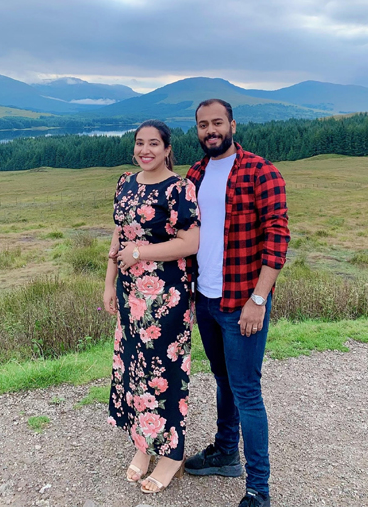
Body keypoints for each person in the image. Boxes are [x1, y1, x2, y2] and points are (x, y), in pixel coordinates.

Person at [184, 99, 290, 507]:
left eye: (217, 123)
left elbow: (277, 238)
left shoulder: (261, 171)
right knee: (223, 379)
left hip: (242, 302)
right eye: (202, 125)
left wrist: (258, 299)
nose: (210, 131)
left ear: (232, 124)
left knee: (246, 390)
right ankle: (227, 451)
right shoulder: (196, 173)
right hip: (206, 299)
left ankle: (258, 490)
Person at [103, 119, 200, 495]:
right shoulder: (125, 182)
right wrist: (109, 281)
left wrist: (140, 253)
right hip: (130, 295)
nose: (145, 150)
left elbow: (190, 242)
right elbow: (119, 235)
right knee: (135, 370)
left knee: (164, 372)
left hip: (166, 298)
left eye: (154, 143)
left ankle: (172, 455)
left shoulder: (179, 188)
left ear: (167, 149)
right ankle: (144, 445)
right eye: (140, 143)